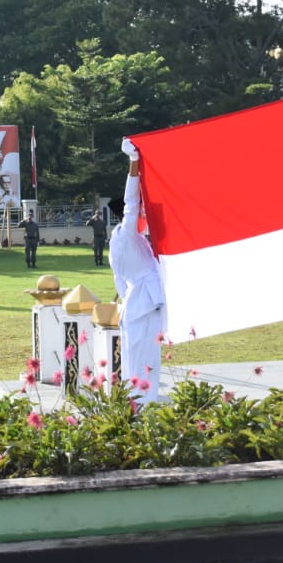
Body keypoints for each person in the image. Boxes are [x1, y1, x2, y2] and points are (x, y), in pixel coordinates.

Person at [111, 138, 167, 405]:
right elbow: (131, 203)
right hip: (143, 306)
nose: (143, 211)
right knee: (145, 366)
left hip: (136, 305)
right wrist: (134, 164)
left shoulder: (120, 244)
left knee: (139, 364)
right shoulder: (128, 237)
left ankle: (136, 408)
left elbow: (119, 283)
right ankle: (142, 410)